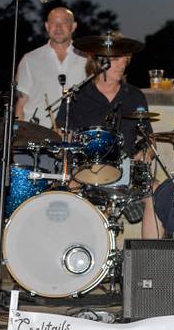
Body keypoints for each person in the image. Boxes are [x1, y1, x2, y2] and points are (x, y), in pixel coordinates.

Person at [56, 51, 163, 239]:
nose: (122, 65)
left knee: (158, 191)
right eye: (116, 60)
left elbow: (149, 136)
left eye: (125, 60)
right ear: (99, 63)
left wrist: (147, 152)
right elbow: (60, 134)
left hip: (124, 169)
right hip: (84, 171)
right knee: (68, 190)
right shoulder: (77, 96)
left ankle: (148, 261)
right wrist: (63, 141)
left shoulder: (134, 95)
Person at [15, 6, 87, 128]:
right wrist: (17, 136)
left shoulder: (86, 59)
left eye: (64, 22)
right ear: (47, 26)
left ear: (73, 26)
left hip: (74, 138)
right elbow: (21, 103)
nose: (58, 27)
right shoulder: (29, 59)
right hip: (36, 135)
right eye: (54, 23)